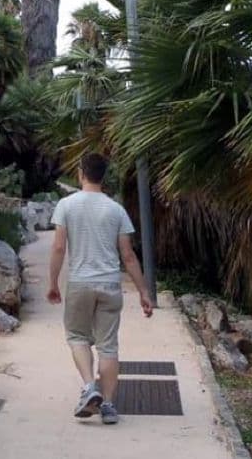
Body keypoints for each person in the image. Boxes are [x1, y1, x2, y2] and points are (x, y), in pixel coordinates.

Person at [47, 152, 154, 425]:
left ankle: (88, 387)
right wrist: (143, 291)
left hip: (80, 283)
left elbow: (59, 247)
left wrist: (52, 283)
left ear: (81, 173)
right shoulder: (116, 209)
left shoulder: (66, 205)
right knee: (108, 346)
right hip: (109, 284)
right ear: (104, 176)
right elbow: (128, 256)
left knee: (77, 336)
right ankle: (107, 406)